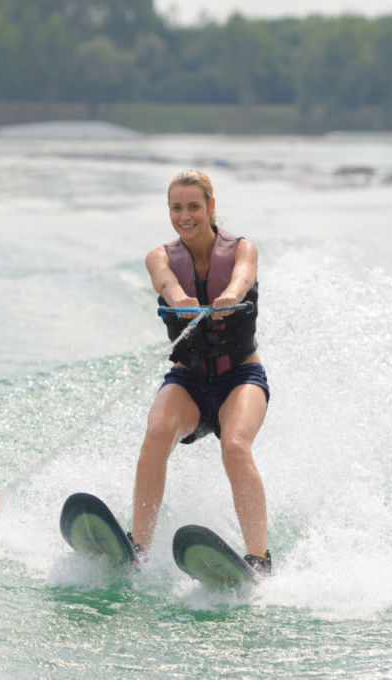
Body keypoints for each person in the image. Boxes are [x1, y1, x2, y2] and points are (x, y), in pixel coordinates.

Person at [129, 169, 271, 576]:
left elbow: (243, 277)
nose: (185, 216)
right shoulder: (159, 256)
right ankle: (138, 548)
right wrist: (179, 297)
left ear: (210, 206)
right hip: (188, 381)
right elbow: (165, 282)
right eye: (176, 208)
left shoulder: (242, 249)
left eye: (194, 206)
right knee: (157, 432)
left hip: (240, 378)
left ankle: (259, 559)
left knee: (236, 446)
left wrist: (231, 295)